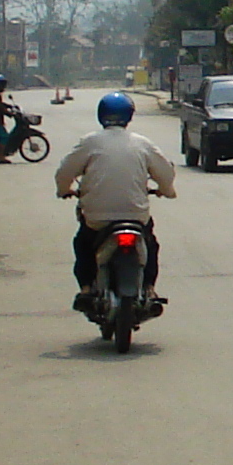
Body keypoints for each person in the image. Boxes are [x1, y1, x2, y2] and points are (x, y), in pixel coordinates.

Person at [55, 90, 178, 309]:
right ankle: (149, 289)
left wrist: (64, 190)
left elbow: (65, 172)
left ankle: (86, 289)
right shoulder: (142, 144)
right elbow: (165, 173)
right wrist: (166, 190)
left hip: (97, 219)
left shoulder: (90, 142)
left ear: (101, 115)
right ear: (129, 116)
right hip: (135, 217)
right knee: (150, 244)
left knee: (83, 244)